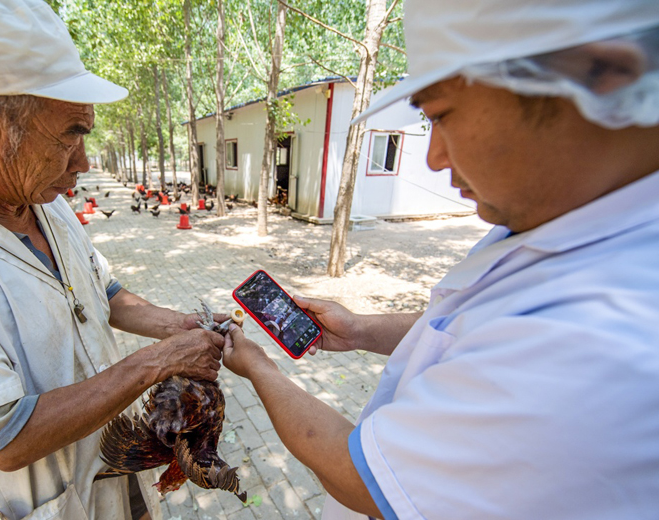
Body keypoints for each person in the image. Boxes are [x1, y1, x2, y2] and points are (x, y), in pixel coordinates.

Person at [222, 0, 659, 518]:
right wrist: (360, 330)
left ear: (601, 72)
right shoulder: (559, 220)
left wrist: (258, 367)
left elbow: (363, 479)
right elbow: (476, 330)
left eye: (442, 115)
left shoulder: (602, 338)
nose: (434, 158)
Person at [0, 1, 225, 519]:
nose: (84, 162)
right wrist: (157, 362)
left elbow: (102, 291)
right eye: (69, 134)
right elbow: (3, 439)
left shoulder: (41, 199)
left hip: (119, 478)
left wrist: (178, 325)